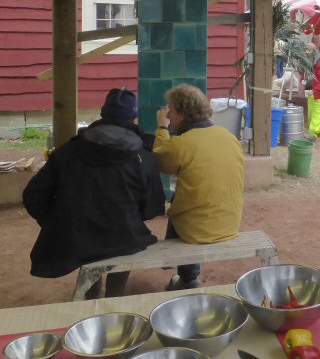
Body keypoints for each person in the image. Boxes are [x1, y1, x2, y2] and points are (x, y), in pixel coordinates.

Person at [23, 88, 165, 297]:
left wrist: (57, 220)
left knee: (91, 240)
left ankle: (93, 293)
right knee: (123, 241)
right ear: (134, 118)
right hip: (125, 236)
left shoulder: (68, 152)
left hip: (78, 238)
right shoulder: (142, 157)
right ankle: (115, 295)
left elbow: (33, 196)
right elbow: (152, 207)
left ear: (102, 113)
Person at [155, 84, 244, 290]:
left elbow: (159, 158)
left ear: (180, 112)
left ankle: (188, 278)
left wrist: (161, 127)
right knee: (193, 194)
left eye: (170, 109)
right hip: (230, 224)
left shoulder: (183, 143)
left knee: (180, 204)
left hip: (197, 231)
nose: (168, 113)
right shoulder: (229, 137)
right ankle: (187, 275)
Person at [306, 43, 320, 141]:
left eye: (308, 50)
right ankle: (318, 130)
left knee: (316, 113)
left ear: (313, 51)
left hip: (319, 93)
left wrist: (314, 90)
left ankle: (313, 133)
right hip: (312, 91)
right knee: (312, 113)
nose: (306, 52)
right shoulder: (311, 61)